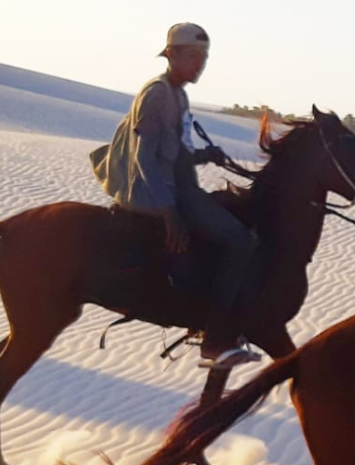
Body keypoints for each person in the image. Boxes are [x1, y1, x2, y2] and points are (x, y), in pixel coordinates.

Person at [91, 23, 259, 369]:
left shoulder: (178, 95)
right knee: (240, 241)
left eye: (204, 57)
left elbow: (174, 154)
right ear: (172, 54)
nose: (200, 63)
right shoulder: (157, 94)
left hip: (174, 186)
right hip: (153, 191)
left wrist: (203, 157)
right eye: (193, 55)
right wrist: (169, 213)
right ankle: (214, 338)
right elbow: (143, 157)